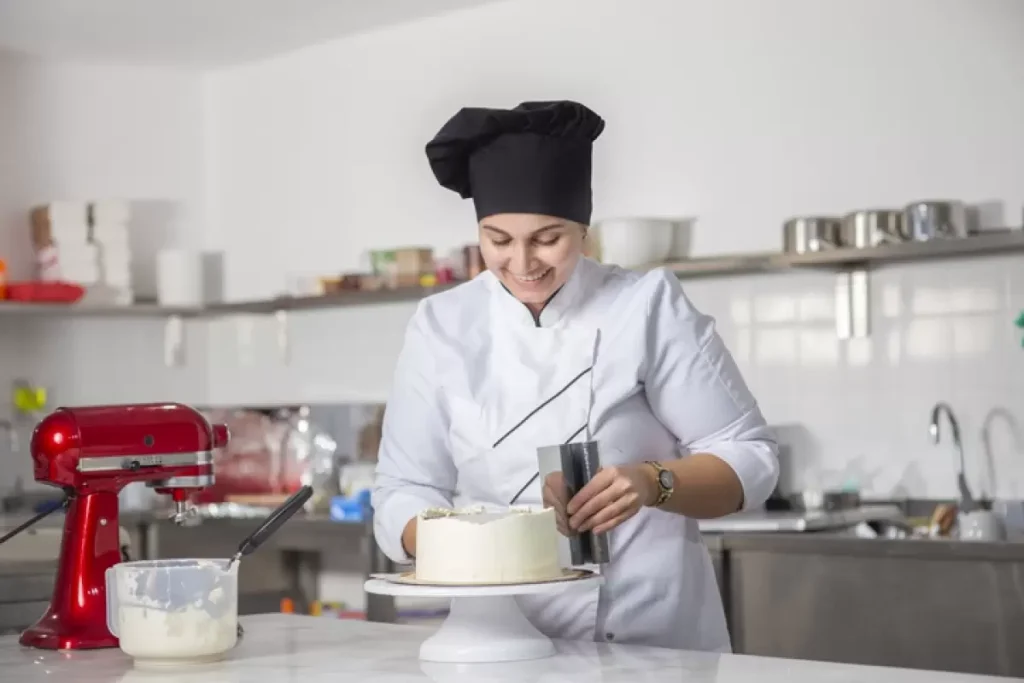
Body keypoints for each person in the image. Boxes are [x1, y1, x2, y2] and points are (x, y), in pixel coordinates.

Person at [372, 100, 779, 652]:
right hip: (499, 643)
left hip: (649, 640)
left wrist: (653, 482)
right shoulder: (441, 326)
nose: (522, 263)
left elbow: (750, 458)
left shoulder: (644, 308)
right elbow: (403, 491)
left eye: (547, 238)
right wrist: (482, 545)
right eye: (497, 239)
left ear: (583, 228)